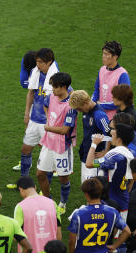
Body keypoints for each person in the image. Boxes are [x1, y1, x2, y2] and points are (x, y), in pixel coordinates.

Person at [10, 48, 59, 183]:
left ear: (49, 62)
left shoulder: (57, 78)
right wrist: (27, 113)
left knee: (47, 155)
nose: (38, 64)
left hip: (47, 122)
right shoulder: (35, 72)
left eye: (41, 62)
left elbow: (64, 98)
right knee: (25, 149)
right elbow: (31, 93)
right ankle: (24, 181)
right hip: (34, 119)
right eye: (37, 61)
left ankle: (47, 186)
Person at [36, 72, 77, 213]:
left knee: (63, 177)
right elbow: (45, 105)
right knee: (40, 174)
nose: (52, 89)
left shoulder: (70, 107)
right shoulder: (52, 96)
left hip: (62, 147)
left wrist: (48, 127)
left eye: (55, 87)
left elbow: (65, 130)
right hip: (48, 143)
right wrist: (48, 117)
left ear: (64, 87)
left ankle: (63, 203)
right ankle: (48, 201)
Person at [86, 123, 135, 215]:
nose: (111, 132)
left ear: (119, 139)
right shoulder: (131, 154)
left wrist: (94, 144)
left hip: (108, 204)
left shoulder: (112, 157)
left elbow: (89, 163)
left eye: (114, 132)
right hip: (124, 202)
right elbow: (131, 181)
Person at [69, 90, 111, 182]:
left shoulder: (100, 116)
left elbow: (111, 135)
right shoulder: (86, 110)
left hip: (95, 160)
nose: (79, 111)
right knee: (86, 187)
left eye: (79, 109)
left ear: (86, 102)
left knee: (94, 190)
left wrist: (106, 152)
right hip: (86, 155)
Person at [92, 41, 130, 120]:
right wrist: (91, 103)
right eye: (103, 53)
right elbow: (97, 90)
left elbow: (123, 100)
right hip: (100, 117)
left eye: (106, 54)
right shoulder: (102, 70)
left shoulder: (122, 75)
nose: (103, 56)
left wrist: (101, 105)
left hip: (115, 120)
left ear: (115, 57)